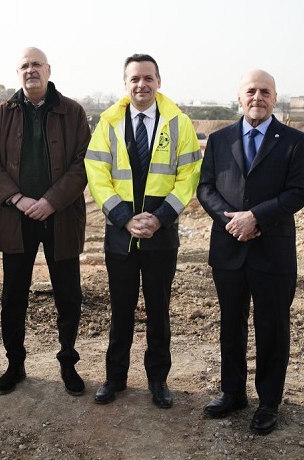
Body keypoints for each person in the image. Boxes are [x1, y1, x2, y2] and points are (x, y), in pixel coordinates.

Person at [197, 69, 304, 434]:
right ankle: (233, 393)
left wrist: (256, 218)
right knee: (231, 328)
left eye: (265, 91)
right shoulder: (218, 140)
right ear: (240, 97)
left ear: (275, 98)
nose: (257, 97)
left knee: (272, 330)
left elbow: (297, 192)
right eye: (251, 91)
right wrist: (232, 221)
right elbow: (206, 187)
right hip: (228, 251)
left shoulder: (294, 140)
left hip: (272, 253)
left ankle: (268, 402)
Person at [85, 54, 202, 408]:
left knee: (158, 312)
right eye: (134, 78)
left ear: (159, 82)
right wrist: (124, 218)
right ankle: (114, 379)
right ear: (125, 84)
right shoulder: (108, 123)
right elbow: (97, 174)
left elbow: (189, 176)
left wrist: (160, 217)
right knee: (120, 311)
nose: (141, 84)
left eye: (148, 78)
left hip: (161, 236)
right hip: (120, 236)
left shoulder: (179, 124)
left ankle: (158, 381)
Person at [0, 47, 91, 396]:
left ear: (48, 69)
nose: (31, 70)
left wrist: (50, 201)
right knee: (13, 295)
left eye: (37, 65)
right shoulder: (3, 112)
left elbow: (82, 163)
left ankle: (68, 363)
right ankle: (15, 364)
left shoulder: (72, 112)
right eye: (25, 65)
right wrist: (18, 198)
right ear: (18, 72)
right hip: (17, 218)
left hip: (61, 217)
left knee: (68, 296)